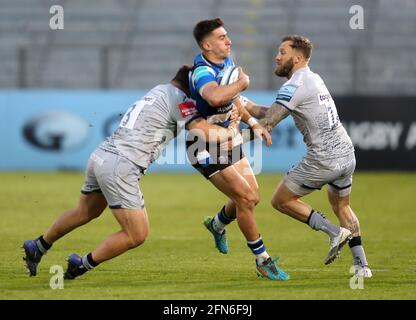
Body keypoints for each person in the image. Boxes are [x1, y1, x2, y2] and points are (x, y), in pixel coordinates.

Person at [22, 65, 242, 280]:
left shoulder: (158, 90)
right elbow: (205, 133)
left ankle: (38, 245)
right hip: (122, 164)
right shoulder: (181, 100)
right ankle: (81, 264)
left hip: (102, 155)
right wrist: (232, 130)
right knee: (136, 234)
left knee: (84, 212)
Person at [259, 35, 372, 277]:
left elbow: (269, 121)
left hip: (324, 158)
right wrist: (246, 107)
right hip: (346, 153)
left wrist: (230, 136)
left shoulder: (295, 84)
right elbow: (275, 112)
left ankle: (334, 233)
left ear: (297, 57)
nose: (277, 57)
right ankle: (362, 266)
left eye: (282, 52)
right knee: (342, 206)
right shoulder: (314, 78)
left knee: (280, 200)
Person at [187, 17, 289, 280]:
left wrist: (254, 121)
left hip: (228, 140)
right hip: (204, 144)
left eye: (227, 35)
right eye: (222, 37)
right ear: (206, 45)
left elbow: (233, 102)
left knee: (252, 196)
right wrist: (242, 84)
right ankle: (263, 261)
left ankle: (217, 224)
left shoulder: (227, 64)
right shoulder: (202, 71)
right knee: (244, 198)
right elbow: (215, 96)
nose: (228, 40)